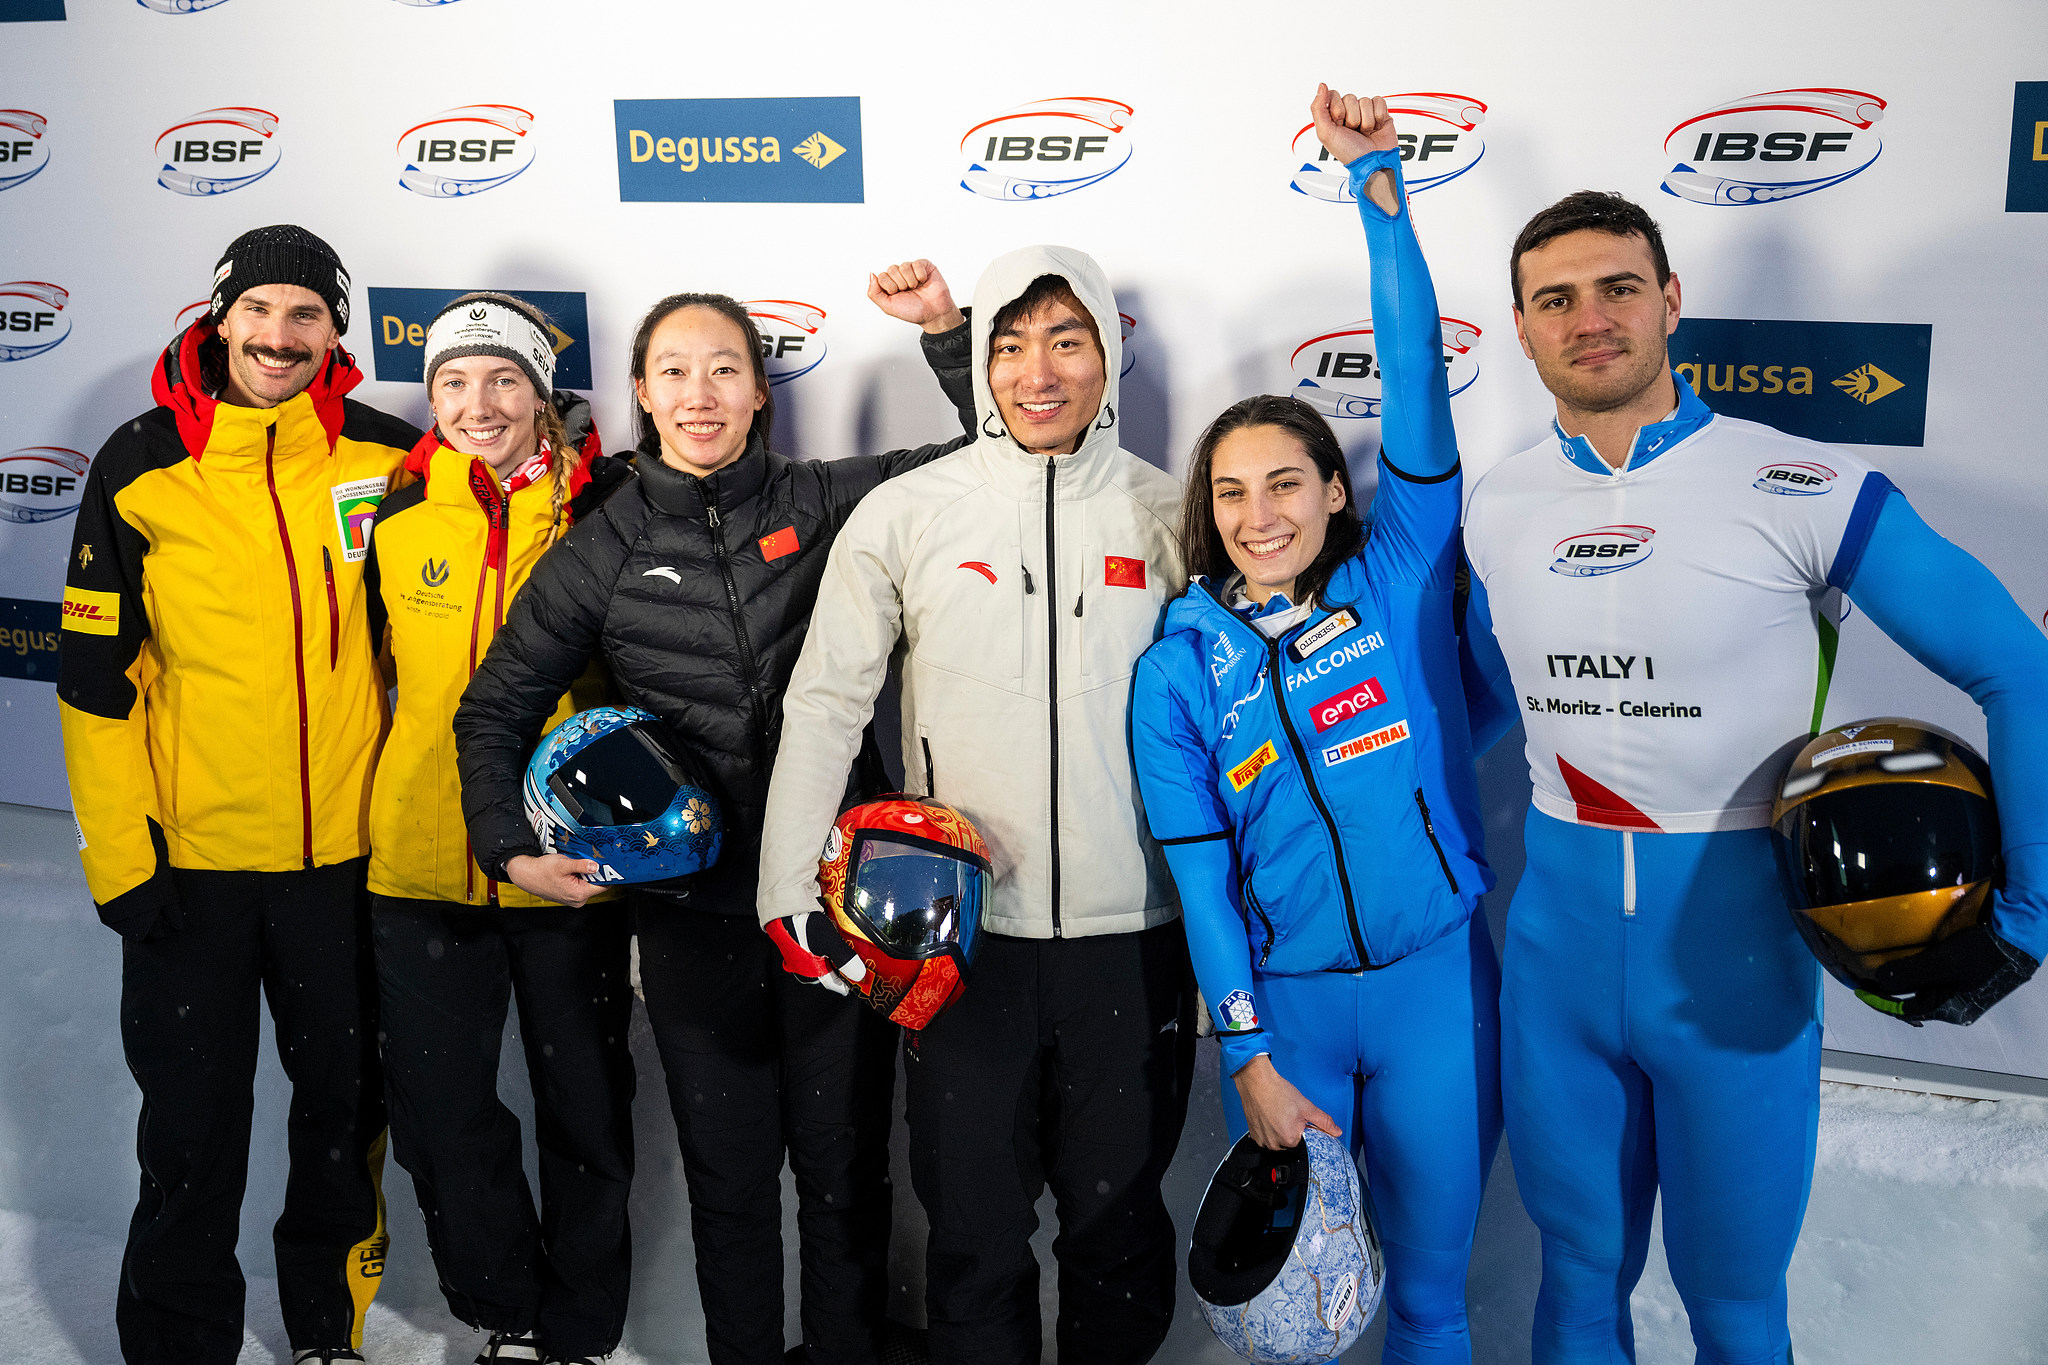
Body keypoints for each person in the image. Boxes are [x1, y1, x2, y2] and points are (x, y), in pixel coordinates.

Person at [1457, 187, 2048, 1362]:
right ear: (1519, 330)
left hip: (1732, 976)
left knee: (1731, 1307)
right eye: (1554, 299)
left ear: (1669, 301)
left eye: (1618, 287)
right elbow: (1469, 714)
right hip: (1555, 965)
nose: (1590, 319)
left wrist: (2023, 915)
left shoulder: (1803, 486)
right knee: (1573, 1284)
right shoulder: (1499, 502)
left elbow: (2016, 669)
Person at [452, 268, 977, 1365]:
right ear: (641, 393)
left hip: (832, 908)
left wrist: (945, 335)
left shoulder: (824, 499)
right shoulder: (595, 551)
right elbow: (492, 709)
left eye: (724, 370)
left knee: (843, 1177)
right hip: (691, 924)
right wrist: (509, 850)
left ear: (758, 396)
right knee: (730, 1186)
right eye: (675, 372)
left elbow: (990, 454)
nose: (699, 394)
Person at [755, 244, 1196, 1365]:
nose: (1035, 373)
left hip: (1131, 943)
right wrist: (783, 887)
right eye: (1007, 347)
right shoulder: (910, 513)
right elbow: (825, 705)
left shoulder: (1173, 512)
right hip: (956, 946)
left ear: (1108, 353)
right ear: (982, 365)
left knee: (1117, 1231)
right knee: (973, 1239)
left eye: (1065, 342)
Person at [1128, 88, 1500, 1365]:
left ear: (1335, 492)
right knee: (1295, 1327)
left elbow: (1412, 378)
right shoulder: (1178, 667)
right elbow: (1199, 880)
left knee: (1430, 1304)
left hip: (1435, 990)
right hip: (1288, 1021)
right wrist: (1243, 1053)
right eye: (1229, 492)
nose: (1257, 511)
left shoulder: (1393, 578)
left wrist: (1379, 192)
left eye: (1285, 481)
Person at [58, 225, 416, 1365]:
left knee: (342, 1120)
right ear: (219, 319)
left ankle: (325, 1331)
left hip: (346, 871)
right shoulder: (139, 461)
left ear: (334, 332)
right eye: (259, 310)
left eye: (306, 315)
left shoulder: (386, 459)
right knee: (190, 1133)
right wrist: (122, 858)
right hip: (190, 874)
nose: (279, 335)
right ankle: (176, 1345)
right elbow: (93, 681)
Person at [366, 292, 633, 1365]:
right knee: (440, 1114)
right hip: (422, 860)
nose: (477, 405)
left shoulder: (605, 512)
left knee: (587, 1108)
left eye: (503, 380)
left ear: (542, 396)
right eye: (452, 383)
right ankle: (505, 1310)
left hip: (565, 863)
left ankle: (576, 1330)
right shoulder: (391, 510)